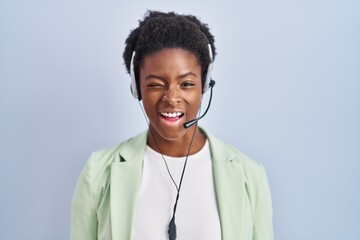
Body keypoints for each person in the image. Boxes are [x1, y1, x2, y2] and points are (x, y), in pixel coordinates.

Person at [71, 10, 273, 240]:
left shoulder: (250, 175)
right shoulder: (98, 172)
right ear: (136, 89)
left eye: (186, 84)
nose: (171, 97)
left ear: (204, 85)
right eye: (156, 85)